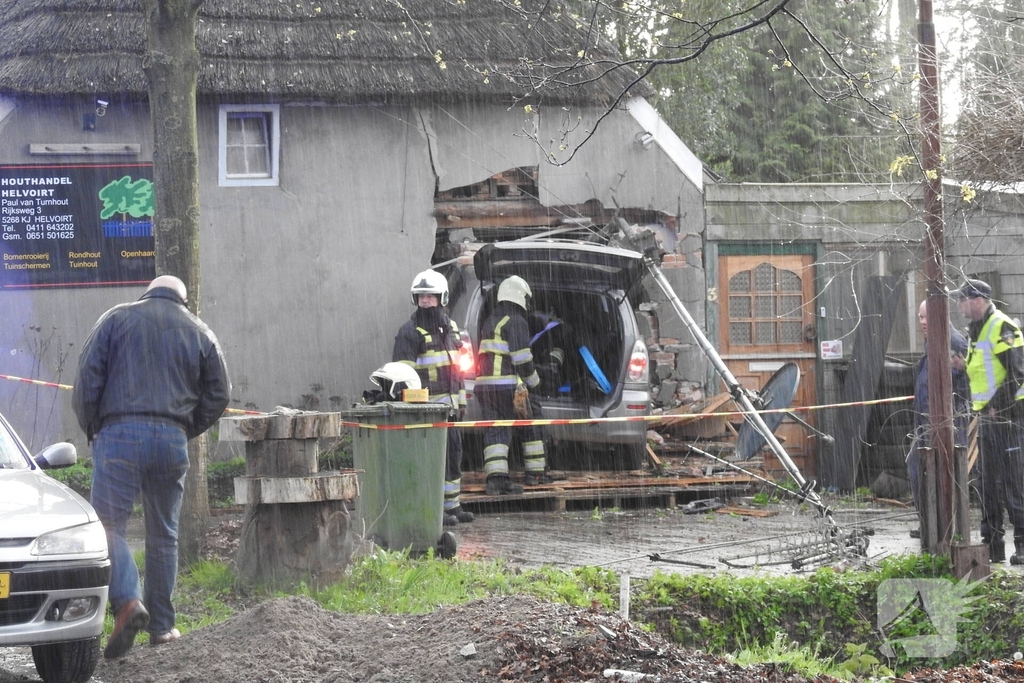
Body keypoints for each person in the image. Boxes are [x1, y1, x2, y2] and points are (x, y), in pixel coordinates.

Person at [72, 275, 231, 658]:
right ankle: (162, 627)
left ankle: (128, 601)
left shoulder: (116, 318)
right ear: (184, 300)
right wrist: (183, 428)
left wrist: (93, 425)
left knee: (109, 525)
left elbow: (86, 381)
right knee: (164, 534)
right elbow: (220, 394)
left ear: (147, 293)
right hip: (172, 439)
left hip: (119, 433)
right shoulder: (201, 331)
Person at [392, 269, 474, 526]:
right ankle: (434, 509)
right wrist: (417, 410)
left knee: (452, 456)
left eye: (430, 296)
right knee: (429, 461)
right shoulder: (409, 332)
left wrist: (461, 403)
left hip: (449, 411)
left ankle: (452, 506)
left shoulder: (451, 329)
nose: (426, 301)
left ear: (442, 298)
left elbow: (457, 371)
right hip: (426, 415)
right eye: (421, 296)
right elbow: (403, 377)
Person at [956, 278, 1024, 564]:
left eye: (962, 299)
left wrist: (999, 407)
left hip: (1007, 419)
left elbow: (1018, 374)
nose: (958, 305)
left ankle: (1022, 546)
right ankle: (992, 546)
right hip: (984, 418)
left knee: (1014, 484)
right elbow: (983, 370)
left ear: (977, 299)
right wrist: (962, 366)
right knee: (986, 485)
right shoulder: (975, 329)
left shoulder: (1002, 326)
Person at [475, 275, 553, 494]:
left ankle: (496, 479)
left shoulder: (492, 319)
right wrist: (535, 384)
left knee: (497, 430)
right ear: (521, 297)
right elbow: (522, 360)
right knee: (532, 421)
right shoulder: (516, 320)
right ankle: (536, 473)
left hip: (485, 387)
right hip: (505, 386)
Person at [907, 299, 969, 539]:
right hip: (924, 420)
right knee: (919, 471)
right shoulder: (931, 341)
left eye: (926, 317)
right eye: (920, 317)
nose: (922, 322)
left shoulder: (952, 342)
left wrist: (944, 415)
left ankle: (945, 527)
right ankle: (928, 523)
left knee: (944, 471)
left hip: (944, 422)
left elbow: (959, 383)